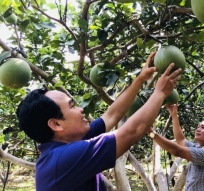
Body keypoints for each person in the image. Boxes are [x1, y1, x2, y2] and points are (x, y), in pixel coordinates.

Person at [16, 52, 182, 191]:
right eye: (72, 106)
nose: (81, 109)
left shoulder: (68, 143)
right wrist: (160, 93)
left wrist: (140, 79)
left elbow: (112, 114)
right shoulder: (63, 159)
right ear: (56, 124)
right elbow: (132, 132)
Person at [148, 104, 204, 191]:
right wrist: (174, 115)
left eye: (203, 127)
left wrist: (150, 132)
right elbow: (181, 140)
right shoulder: (199, 148)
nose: (198, 129)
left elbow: (177, 151)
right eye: (198, 126)